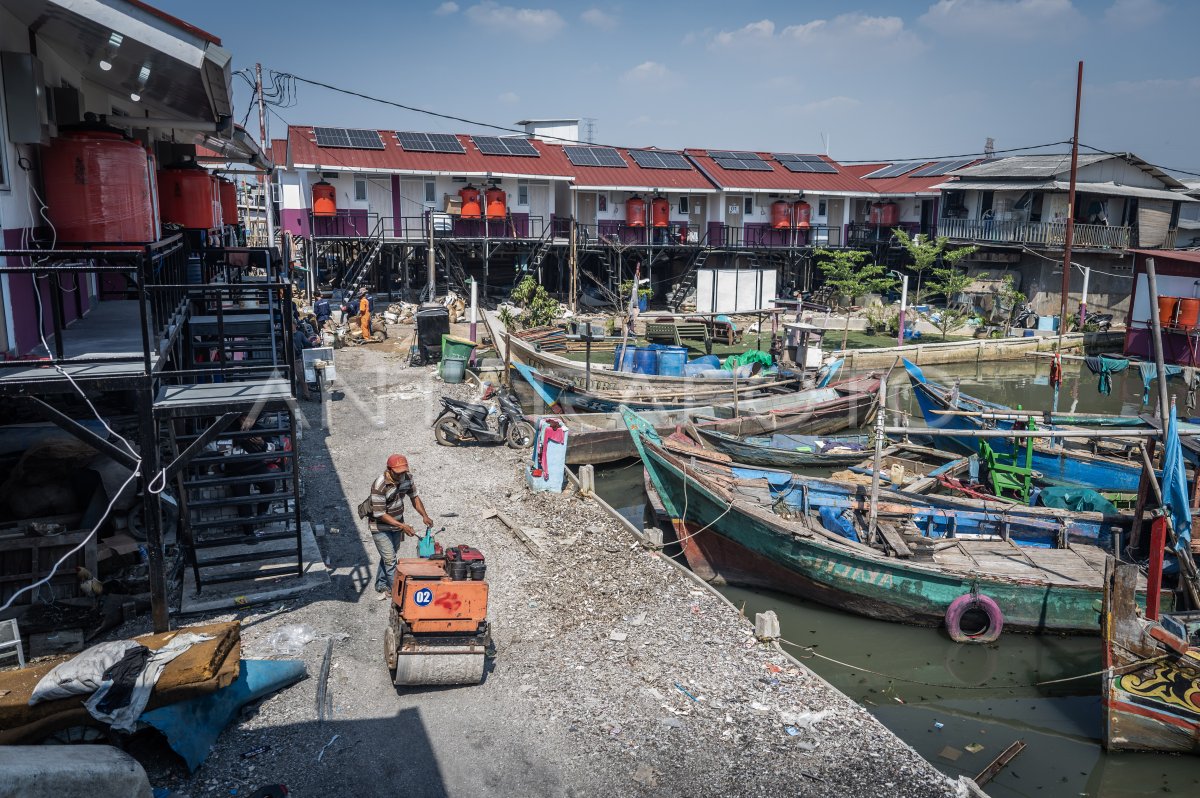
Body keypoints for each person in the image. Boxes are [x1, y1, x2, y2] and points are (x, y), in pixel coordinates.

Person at [367, 453, 433, 598]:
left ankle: (381, 583)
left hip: (397, 524)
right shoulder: (379, 485)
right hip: (380, 527)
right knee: (391, 560)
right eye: (398, 473)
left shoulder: (407, 478)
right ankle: (396, 593)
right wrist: (403, 526)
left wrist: (424, 515)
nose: (401, 475)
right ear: (389, 470)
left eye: (403, 472)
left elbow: (414, 497)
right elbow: (380, 514)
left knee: (390, 554)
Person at [226, 413, 279, 541]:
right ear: (238, 418)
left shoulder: (259, 429)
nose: (247, 421)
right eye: (244, 418)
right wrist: (238, 440)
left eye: (250, 419)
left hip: (256, 466)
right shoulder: (228, 430)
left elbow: (273, 450)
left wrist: (262, 443)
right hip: (236, 470)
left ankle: (262, 512)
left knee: (269, 484)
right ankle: (249, 533)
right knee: (243, 499)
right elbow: (219, 450)